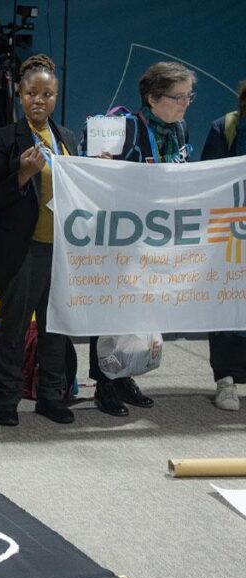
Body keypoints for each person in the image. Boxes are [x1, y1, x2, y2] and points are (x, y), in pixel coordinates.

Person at [86, 61, 196, 417]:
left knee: (140, 307)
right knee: (110, 310)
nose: (184, 104)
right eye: (177, 97)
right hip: (119, 237)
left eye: (188, 97)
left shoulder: (180, 130)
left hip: (157, 238)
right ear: (152, 97)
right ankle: (104, 382)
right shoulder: (124, 128)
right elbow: (94, 176)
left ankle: (125, 376)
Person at [0, 54, 78, 427]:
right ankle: (7, 398)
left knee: (55, 329)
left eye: (48, 94)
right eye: (32, 93)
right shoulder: (2, 138)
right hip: (22, 250)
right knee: (13, 327)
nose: (40, 100)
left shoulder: (67, 138)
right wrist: (21, 173)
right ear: (20, 95)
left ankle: (50, 396)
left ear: (56, 97)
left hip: (62, 251)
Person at [201, 80, 246, 410]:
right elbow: (209, 181)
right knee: (228, 303)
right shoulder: (226, 127)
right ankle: (226, 380)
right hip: (233, 234)